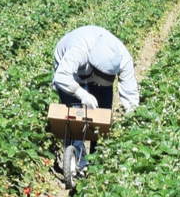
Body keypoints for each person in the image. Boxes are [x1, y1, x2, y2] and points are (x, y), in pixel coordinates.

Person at [52, 25, 139, 175]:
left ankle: (97, 162)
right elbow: (61, 76)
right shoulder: (80, 49)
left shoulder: (122, 58)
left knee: (102, 116)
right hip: (69, 72)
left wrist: (133, 118)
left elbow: (130, 93)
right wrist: (80, 93)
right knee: (74, 117)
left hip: (90, 70)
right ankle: (77, 165)